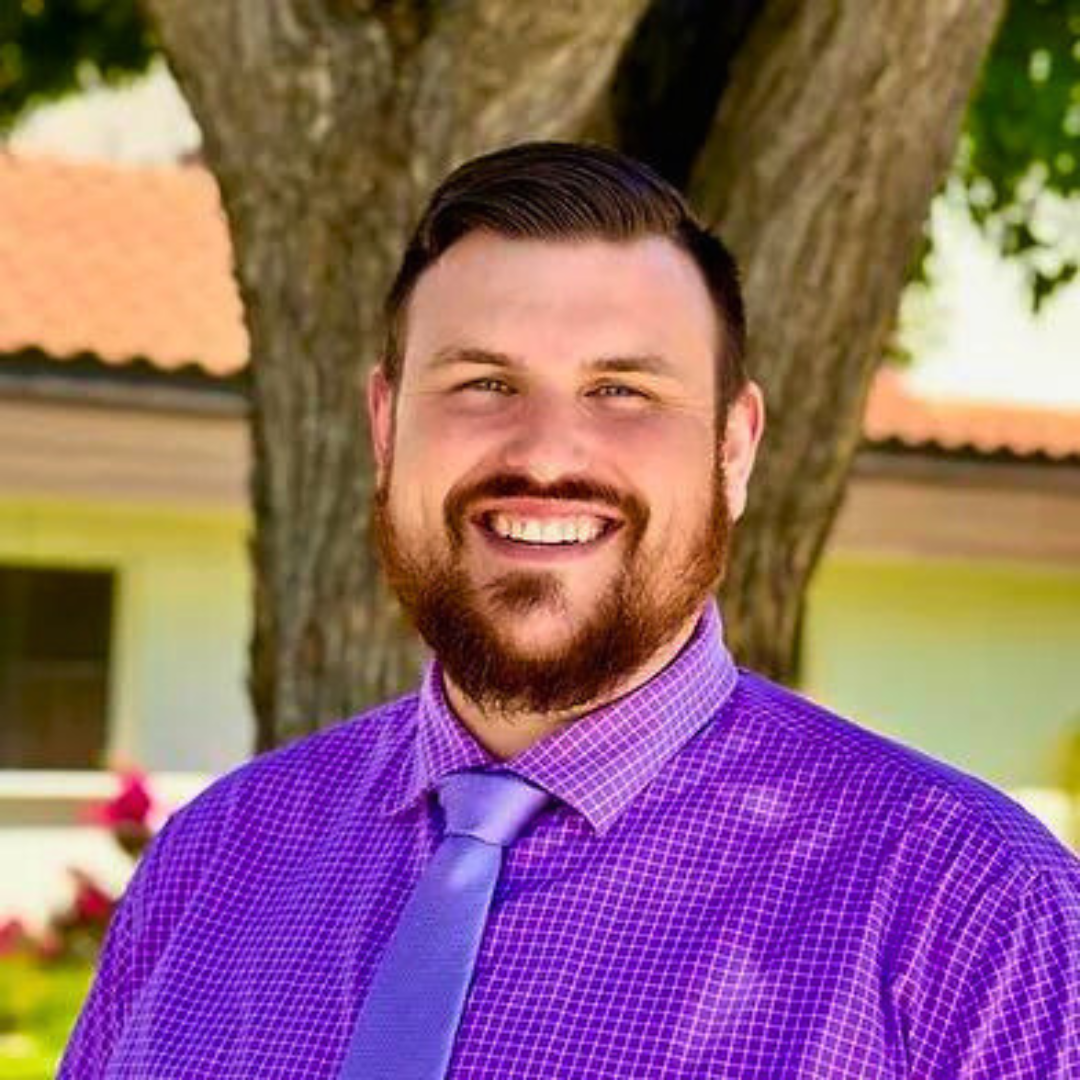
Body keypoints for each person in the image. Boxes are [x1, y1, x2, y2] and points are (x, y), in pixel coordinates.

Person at [61, 142, 1079, 1079]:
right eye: (484, 381)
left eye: (622, 392)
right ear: (384, 427)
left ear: (734, 447)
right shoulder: (209, 864)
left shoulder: (978, 915)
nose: (546, 452)